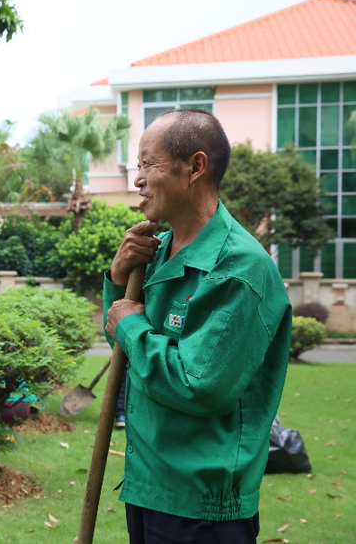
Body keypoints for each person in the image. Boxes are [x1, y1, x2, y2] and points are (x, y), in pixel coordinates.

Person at [103, 109, 292, 543]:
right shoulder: (158, 250)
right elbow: (122, 347)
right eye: (138, 165)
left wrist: (130, 327)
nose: (138, 179)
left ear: (196, 167)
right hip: (149, 482)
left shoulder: (239, 268)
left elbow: (199, 385)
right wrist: (117, 282)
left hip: (202, 504)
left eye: (148, 164)